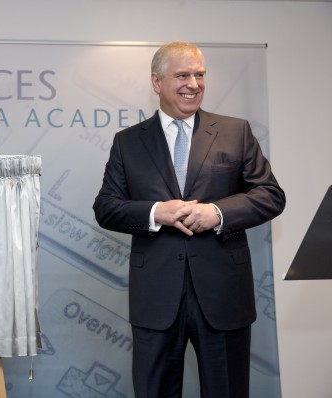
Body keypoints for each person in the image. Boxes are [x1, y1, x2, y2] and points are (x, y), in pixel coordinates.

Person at [93, 41, 285, 398]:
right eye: (182, 75)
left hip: (224, 297)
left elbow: (271, 195)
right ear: (157, 82)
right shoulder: (128, 142)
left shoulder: (235, 131)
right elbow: (106, 207)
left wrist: (217, 212)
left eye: (199, 75)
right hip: (156, 300)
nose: (193, 84)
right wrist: (156, 212)